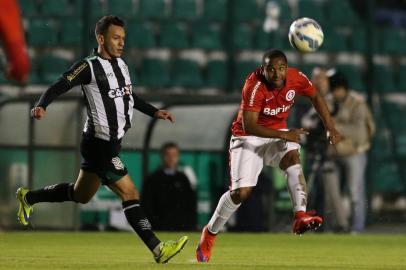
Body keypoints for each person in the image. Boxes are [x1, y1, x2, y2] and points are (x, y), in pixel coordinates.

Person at [15, 15, 188, 264]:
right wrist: (42, 105)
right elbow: (60, 84)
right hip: (99, 144)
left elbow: (129, 97)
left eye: (123, 39)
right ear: (100, 38)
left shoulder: (122, 65)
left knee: (80, 194)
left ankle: (29, 197)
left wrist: (154, 111)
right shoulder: (88, 67)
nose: (121, 43)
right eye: (116, 38)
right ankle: (158, 249)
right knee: (129, 192)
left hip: (110, 143)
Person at [196, 49, 342, 263]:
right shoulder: (254, 86)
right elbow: (250, 125)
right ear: (263, 69)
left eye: (280, 68)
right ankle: (210, 233)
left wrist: (330, 127)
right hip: (247, 137)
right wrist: (286, 133)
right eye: (270, 69)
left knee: (292, 156)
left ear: (286, 68)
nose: (276, 74)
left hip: (276, 134)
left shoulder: (296, 78)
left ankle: (300, 216)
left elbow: (315, 96)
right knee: (241, 193)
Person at [323, 70, 375, 233]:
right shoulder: (328, 101)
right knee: (331, 193)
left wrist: (335, 127)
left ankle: (357, 228)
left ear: (344, 88)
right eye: (333, 89)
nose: (335, 93)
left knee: (355, 192)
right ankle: (337, 227)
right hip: (334, 152)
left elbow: (360, 132)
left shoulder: (357, 103)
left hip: (355, 152)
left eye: (337, 89)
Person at [142, 142, 197, 231]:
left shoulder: (183, 179)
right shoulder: (153, 179)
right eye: (168, 155)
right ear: (162, 156)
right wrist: (155, 224)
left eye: (174, 155)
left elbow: (190, 204)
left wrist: (189, 226)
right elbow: (147, 205)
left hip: (182, 229)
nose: (171, 158)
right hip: (159, 229)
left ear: (178, 156)